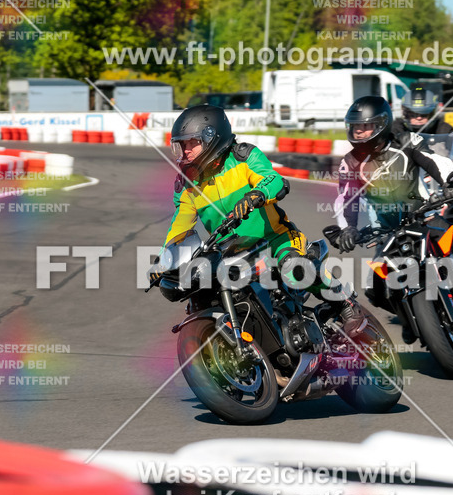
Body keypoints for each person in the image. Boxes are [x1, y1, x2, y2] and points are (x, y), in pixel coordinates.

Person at [153, 104, 367, 334]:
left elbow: (273, 180)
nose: (184, 151)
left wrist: (258, 194)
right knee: (203, 291)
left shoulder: (242, 157)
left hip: (275, 239)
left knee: (295, 267)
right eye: (181, 145)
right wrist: (166, 259)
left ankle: (344, 302)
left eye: (190, 143)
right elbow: (180, 224)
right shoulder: (187, 183)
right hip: (230, 251)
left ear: (211, 138)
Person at [332, 96, 453, 337]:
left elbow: (437, 161)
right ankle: (410, 317)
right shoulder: (350, 162)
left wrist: (451, 181)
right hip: (386, 232)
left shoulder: (407, 141)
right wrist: (348, 229)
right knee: (374, 289)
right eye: (356, 127)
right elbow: (345, 199)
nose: (360, 132)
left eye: (365, 127)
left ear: (381, 125)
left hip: (424, 216)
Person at [390, 82, 453, 151]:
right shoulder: (396, 128)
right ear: (405, 114)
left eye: (424, 114)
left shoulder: (443, 128)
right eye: (413, 114)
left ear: (432, 114)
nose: (419, 118)